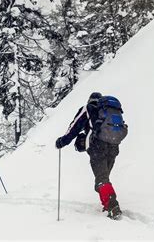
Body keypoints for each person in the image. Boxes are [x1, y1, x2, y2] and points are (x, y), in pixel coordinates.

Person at [55, 92, 127, 220]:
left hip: (97, 147)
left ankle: (112, 206)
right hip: (113, 146)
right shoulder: (109, 112)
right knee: (102, 179)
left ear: (90, 100)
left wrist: (62, 141)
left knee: (101, 180)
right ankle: (107, 205)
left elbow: (74, 127)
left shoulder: (88, 108)